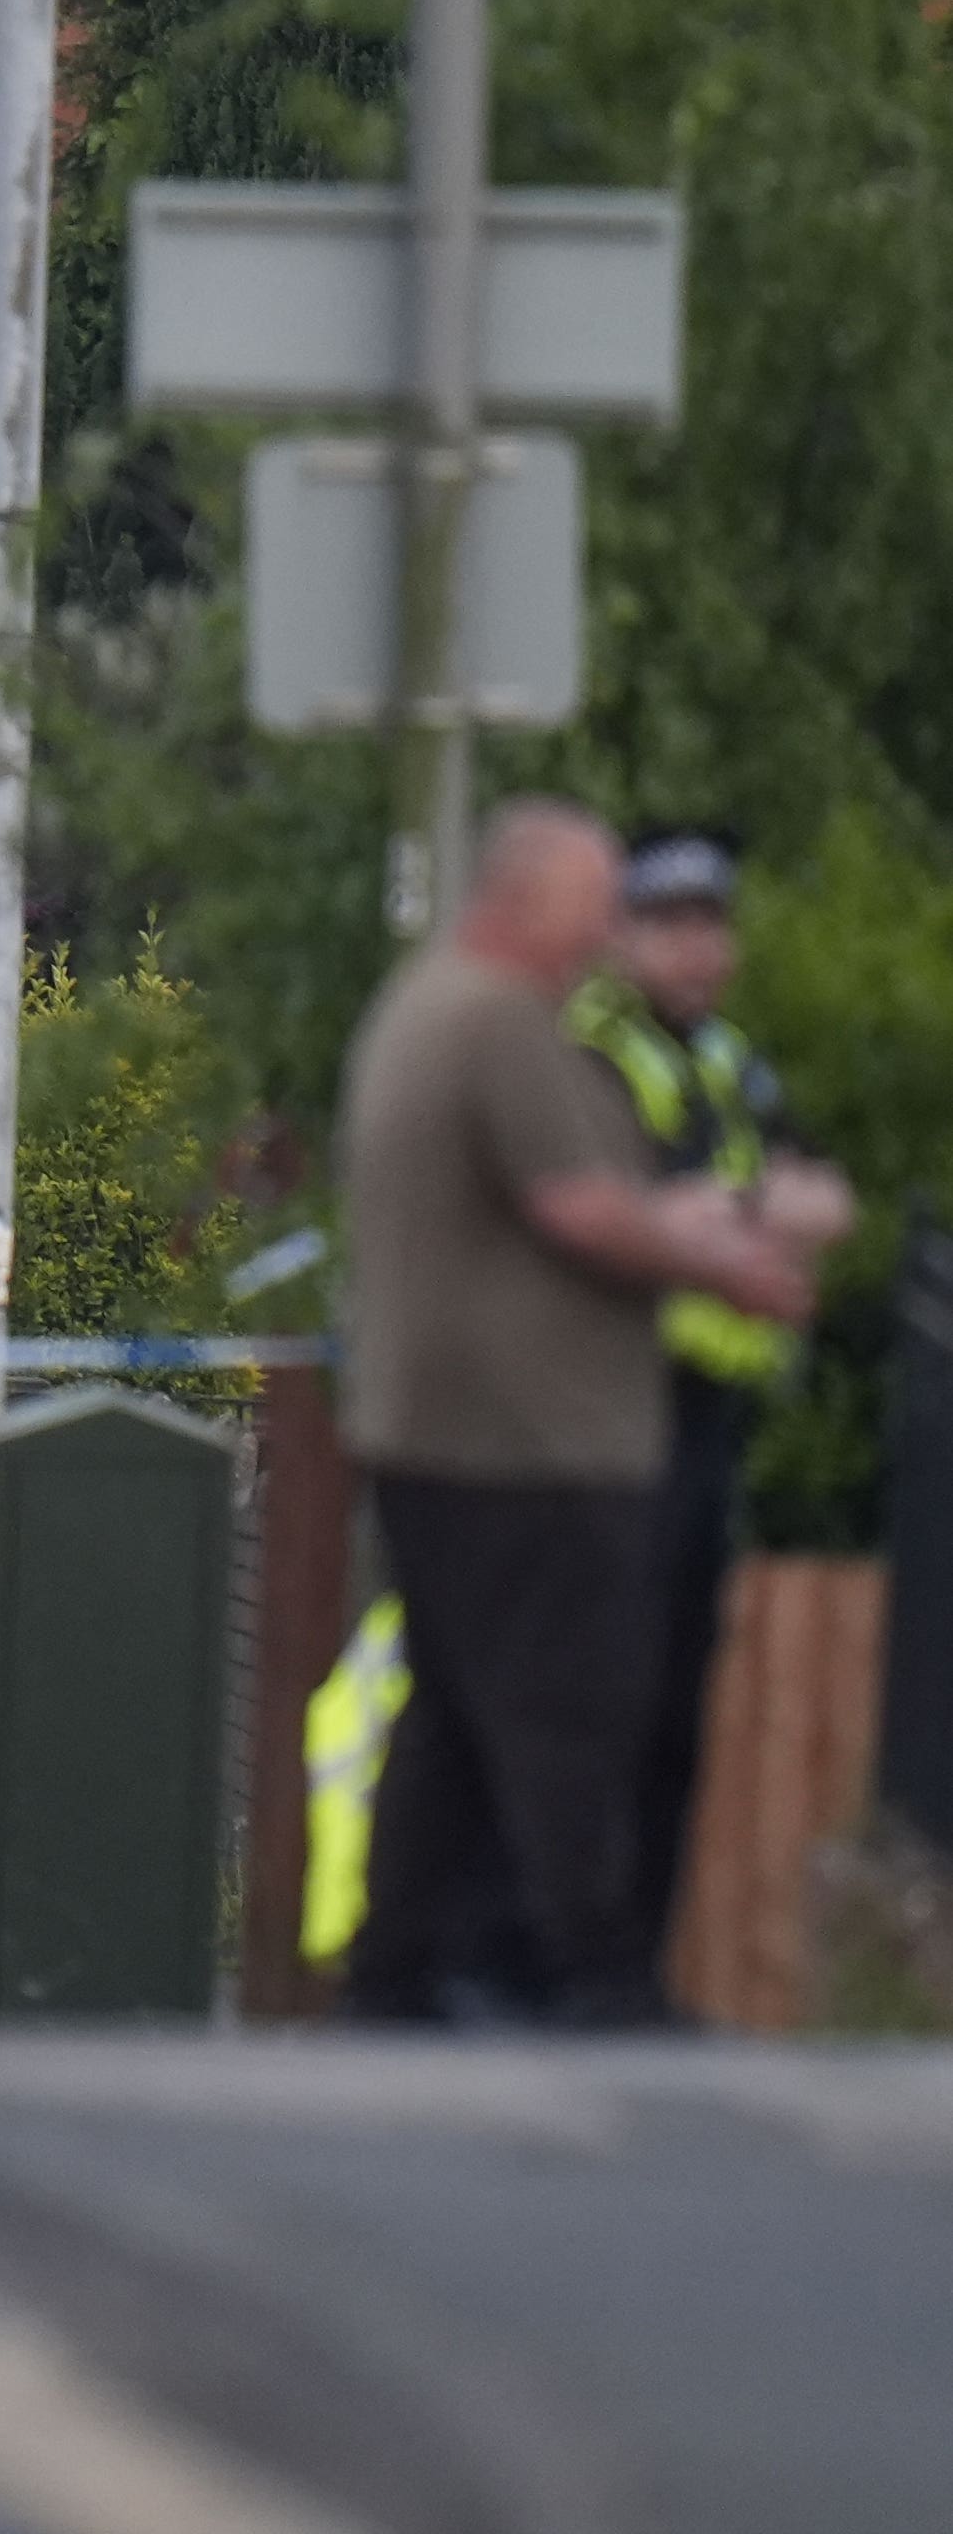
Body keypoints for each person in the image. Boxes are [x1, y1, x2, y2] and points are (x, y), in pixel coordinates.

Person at [337, 800, 819, 2027]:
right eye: (597, 903)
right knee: (571, 1715)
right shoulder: (499, 1022)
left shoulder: (429, 1003)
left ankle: (391, 1980)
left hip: (436, 1432)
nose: (608, 932)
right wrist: (728, 1265)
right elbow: (582, 1205)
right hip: (521, 1448)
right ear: (532, 899)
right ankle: (594, 1981)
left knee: (449, 1719)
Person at [566, 831, 850, 1961]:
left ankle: (636, 1957)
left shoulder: (732, 1063)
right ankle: (578, 1957)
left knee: (679, 1698)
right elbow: (646, 1210)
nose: (696, 951)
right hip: (625, 1401)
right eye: (669, 926)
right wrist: (751, 1208)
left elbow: (825, 1199)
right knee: (613, 1694)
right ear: (624, 937)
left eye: (709, 926)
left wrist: (734, 1208)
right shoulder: (602, 1051)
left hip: (708, 1413)